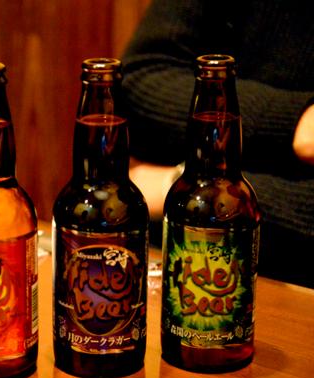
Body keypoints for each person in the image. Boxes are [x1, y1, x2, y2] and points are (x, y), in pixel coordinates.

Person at [122, 0, 314, 287]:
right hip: (168, 259)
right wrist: (296, 121)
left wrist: (181, 189)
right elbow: (137, 81)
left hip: (290, 280)